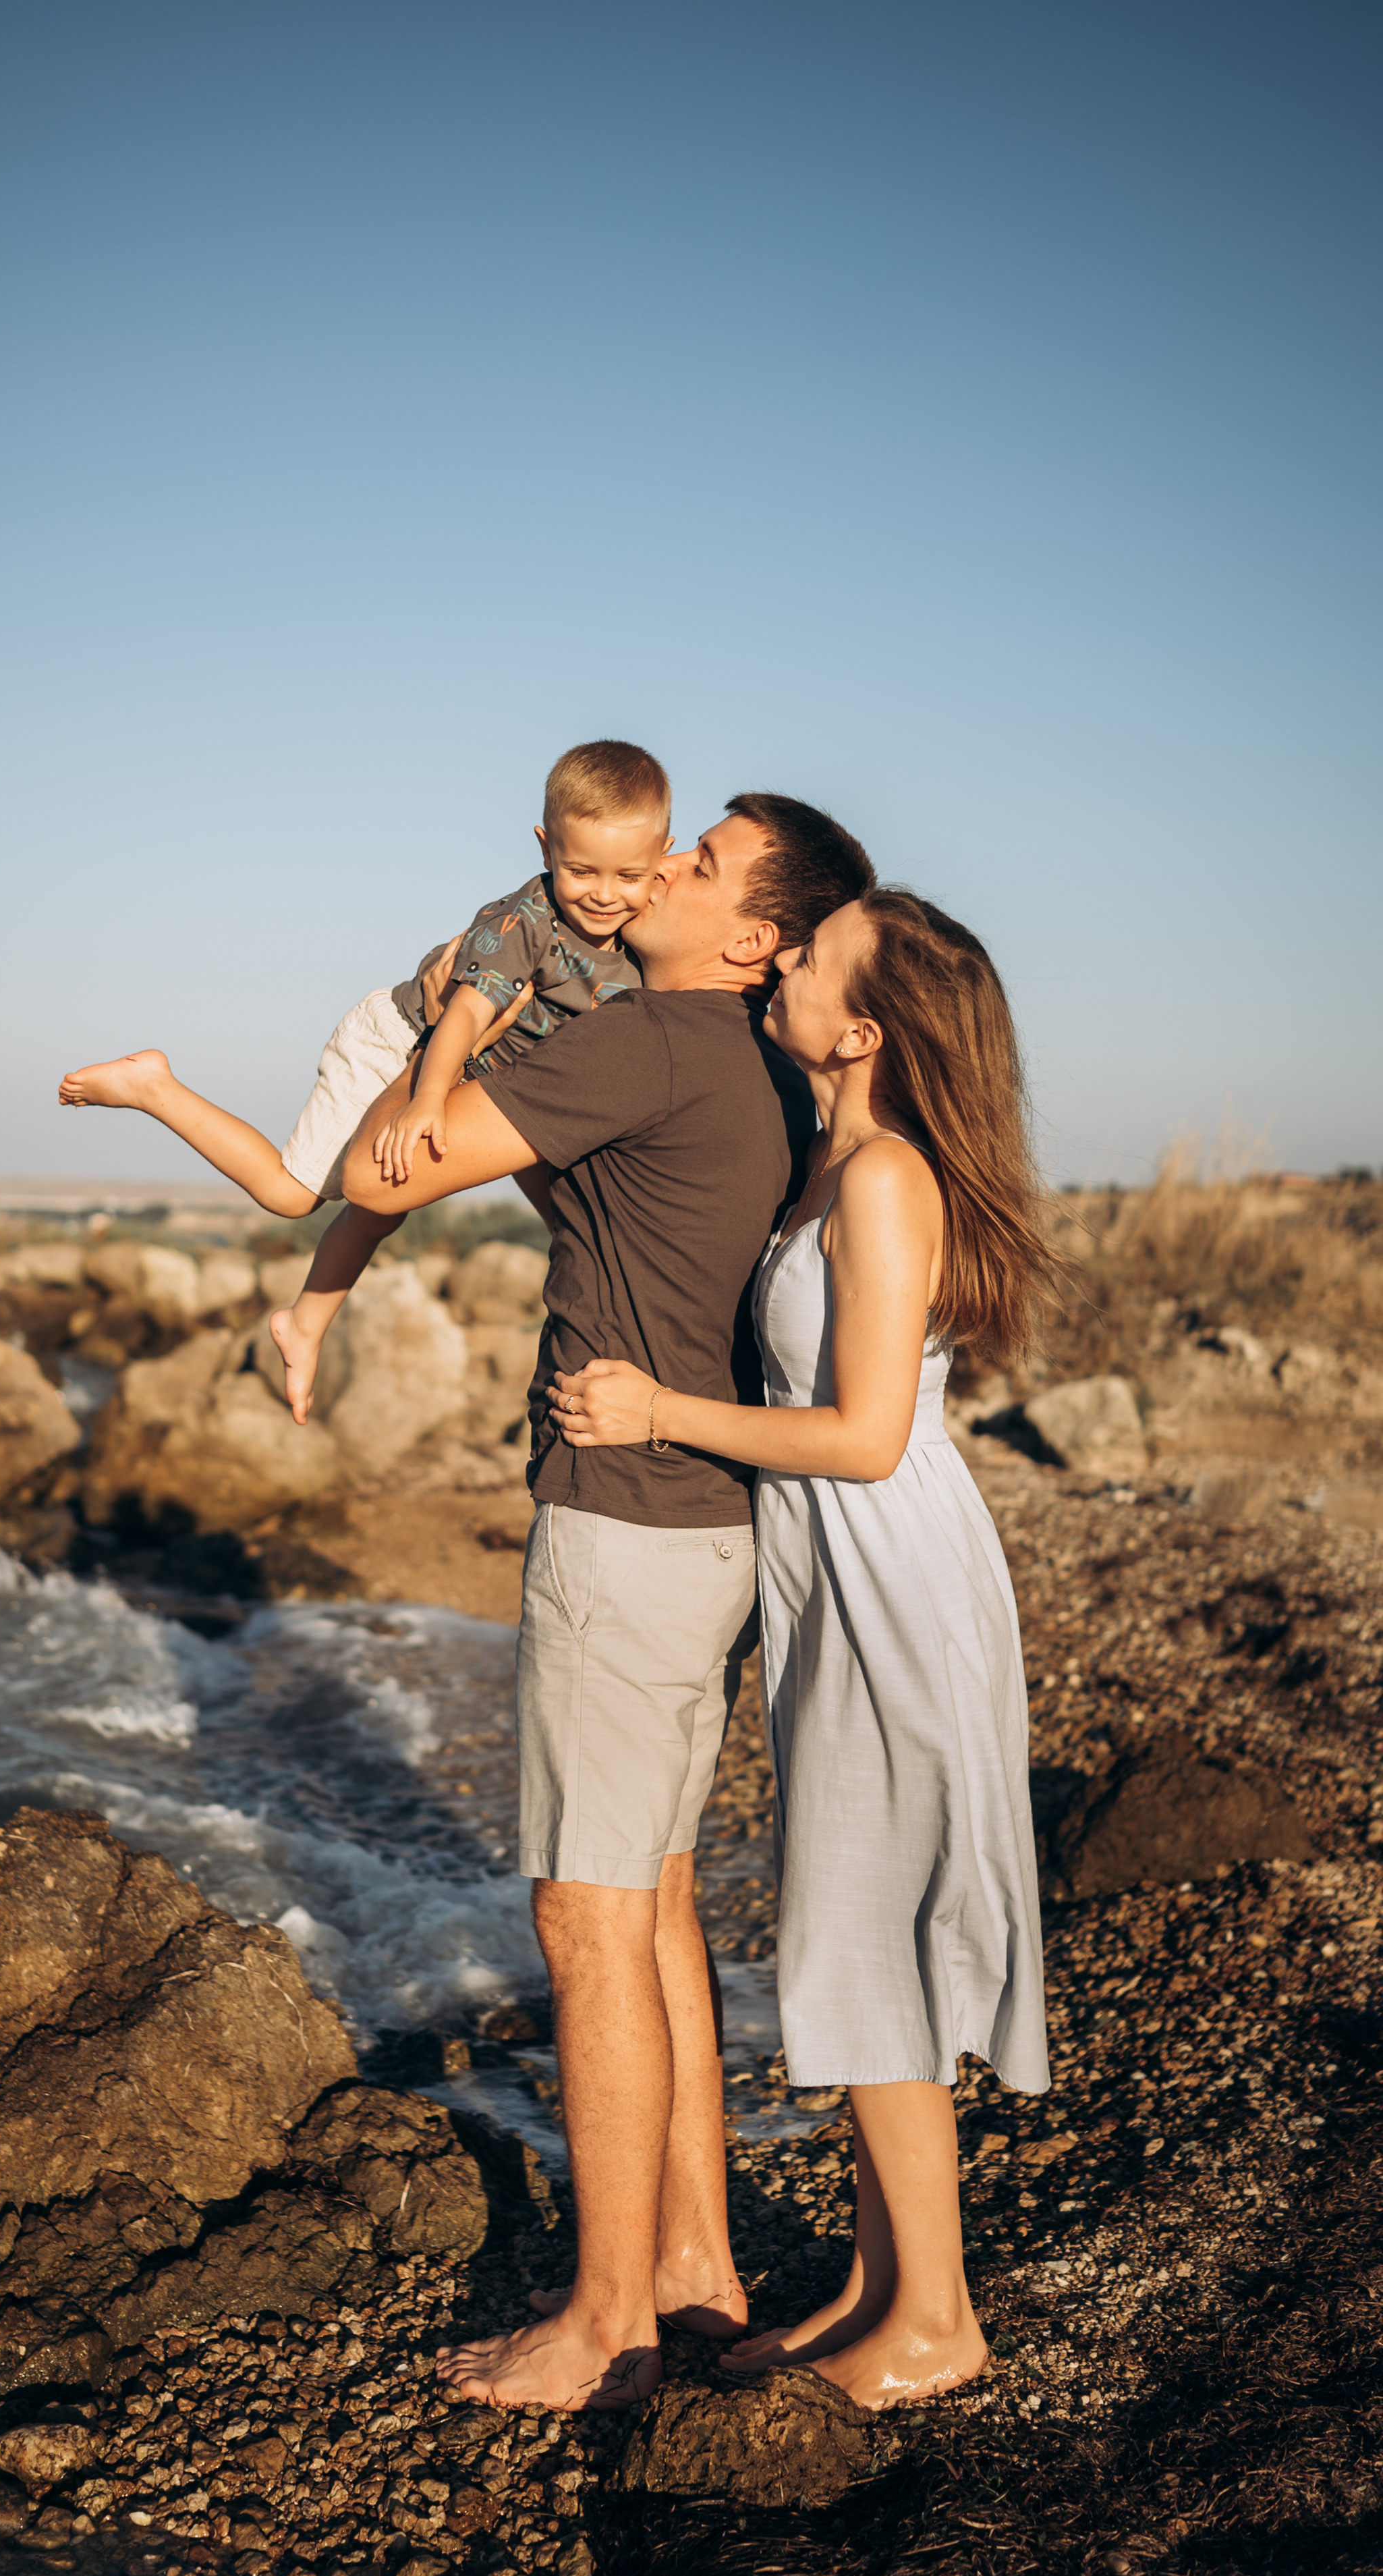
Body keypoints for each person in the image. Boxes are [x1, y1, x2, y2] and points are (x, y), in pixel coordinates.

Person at [337, 796, 878, 2411]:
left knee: (582, 1915)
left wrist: (436, 1009)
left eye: (697, 864)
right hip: (712, 1531)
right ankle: (690, 2265)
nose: (657, 873)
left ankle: (598, 2329)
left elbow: (398, 1160)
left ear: (754, 939)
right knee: (646, 1898)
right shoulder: (761, 1068)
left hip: (622, 1529)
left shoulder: (653, 1035)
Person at [546, 887, 1054, 2411]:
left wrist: (657, 1412)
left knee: (873, 1916)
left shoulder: (887, 1174)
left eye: (810, 958)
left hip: (889, 1569)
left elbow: (862, 1430)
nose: (779, 964)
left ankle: (938, 2319)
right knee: (852, 1903)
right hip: (839, 1571)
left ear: (863, 1026)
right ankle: (878, 2281)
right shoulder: (831, 1151)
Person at [57, 739, 672, 1418]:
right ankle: (153, 1086)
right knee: (292, 1196)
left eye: (629, 876)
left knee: (387, 1212)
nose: (605, 894)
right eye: (581, 870)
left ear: (662, 861)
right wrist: (426, 1098)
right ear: (543, 846)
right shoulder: (527, 919)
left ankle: (302, 1325)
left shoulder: (643, 932)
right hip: (405, 1043)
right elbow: (465, 1014)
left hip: (480, 1073)